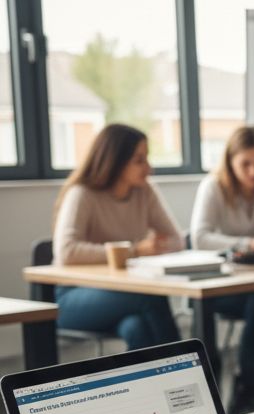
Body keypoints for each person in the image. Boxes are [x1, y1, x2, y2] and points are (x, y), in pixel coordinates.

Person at [190, 125, 254, 414]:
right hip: (222, 287)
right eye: (245, 164)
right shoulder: (213, 186)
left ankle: (245, 385)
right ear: (230, 162)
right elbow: (199, 238)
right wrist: (249, 243)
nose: (253, 172)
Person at [53, 123, 183, 350]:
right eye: (139, 160)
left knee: (136, 327)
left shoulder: (144, 192)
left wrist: (154, 248)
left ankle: (155, 385)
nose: (148, 168)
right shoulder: (82, 194)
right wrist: (134, 251)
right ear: (115, 161)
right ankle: (188, 369)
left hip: (125, 297)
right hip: (74, 299)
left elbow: (176, 239)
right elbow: (66, 252)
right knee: (150, 296)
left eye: (147, 158)